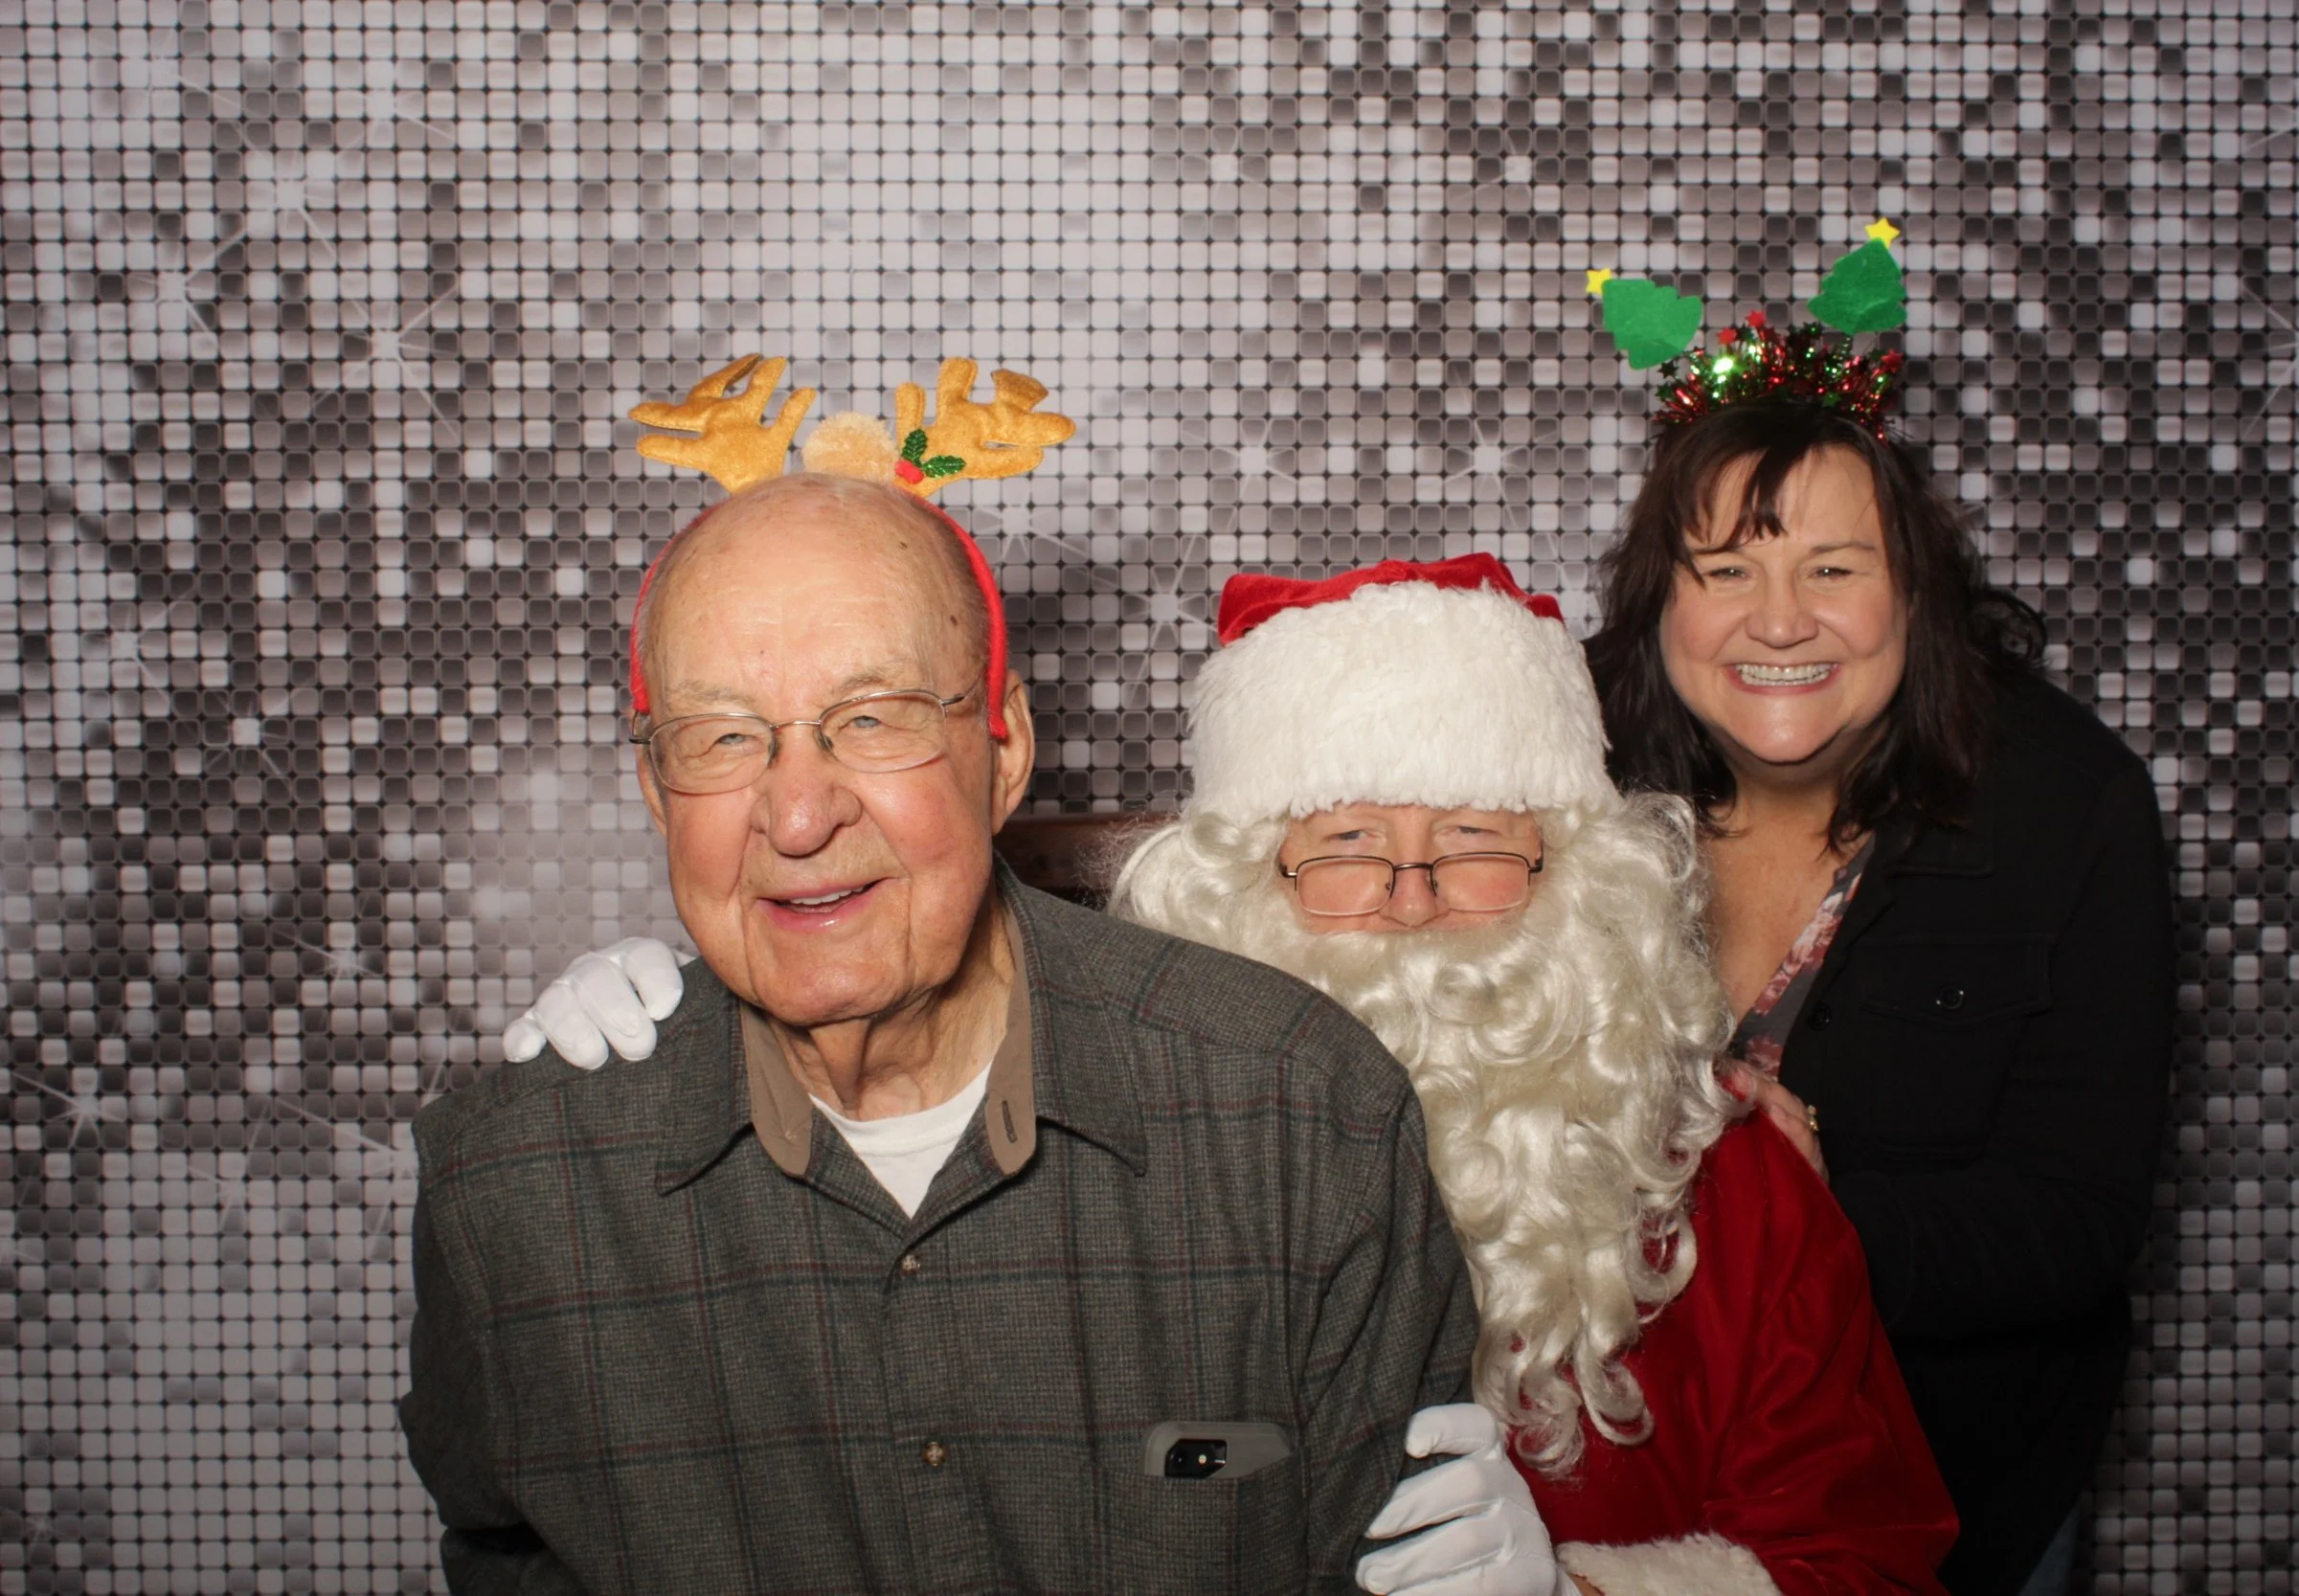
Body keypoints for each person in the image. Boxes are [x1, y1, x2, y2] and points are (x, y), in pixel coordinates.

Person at [515, 553, 1960, 1595]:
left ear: (1579, 881)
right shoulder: (1090, 1132)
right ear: (1239, 891)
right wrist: (706, 1022)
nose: (1409, 896)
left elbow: (1880, 1559)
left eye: (1475, 838)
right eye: (1339, 845)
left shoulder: (1733, 1183)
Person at [405, 465, 1478, 1591]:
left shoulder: (1303, 1119)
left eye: (873, 719)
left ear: (1004, 748)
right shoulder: (509, 1196)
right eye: (721, 738)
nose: (799, 812)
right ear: (653, 785)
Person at [1581, 364, 2175, 1595]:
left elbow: (2079, 1216)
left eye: (1833, 569)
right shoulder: (1554, 770)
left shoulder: (2071, 803)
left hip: (1956, 1488)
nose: (1780, 620)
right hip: (1595, 1472)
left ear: (1915, 590)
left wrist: (1804, 1209)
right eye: (1725, 569)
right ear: (1658, 603)